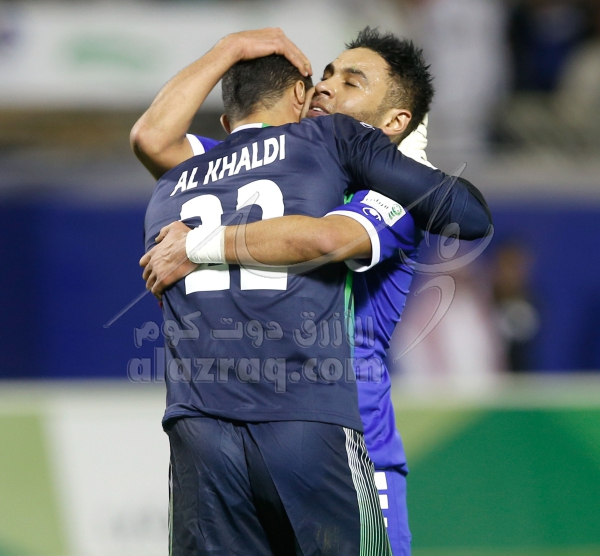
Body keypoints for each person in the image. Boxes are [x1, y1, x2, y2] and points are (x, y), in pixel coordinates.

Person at [136, 29, 492, 556]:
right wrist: (231, 49)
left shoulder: (388, 195)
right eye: (325, 74)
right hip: (268, 424)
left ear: (394, 123)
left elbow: (331, 238)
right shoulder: (286, 161)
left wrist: (202, 243)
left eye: (351, 81)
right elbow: (155, 140)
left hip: (355, 442)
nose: (325, 87)